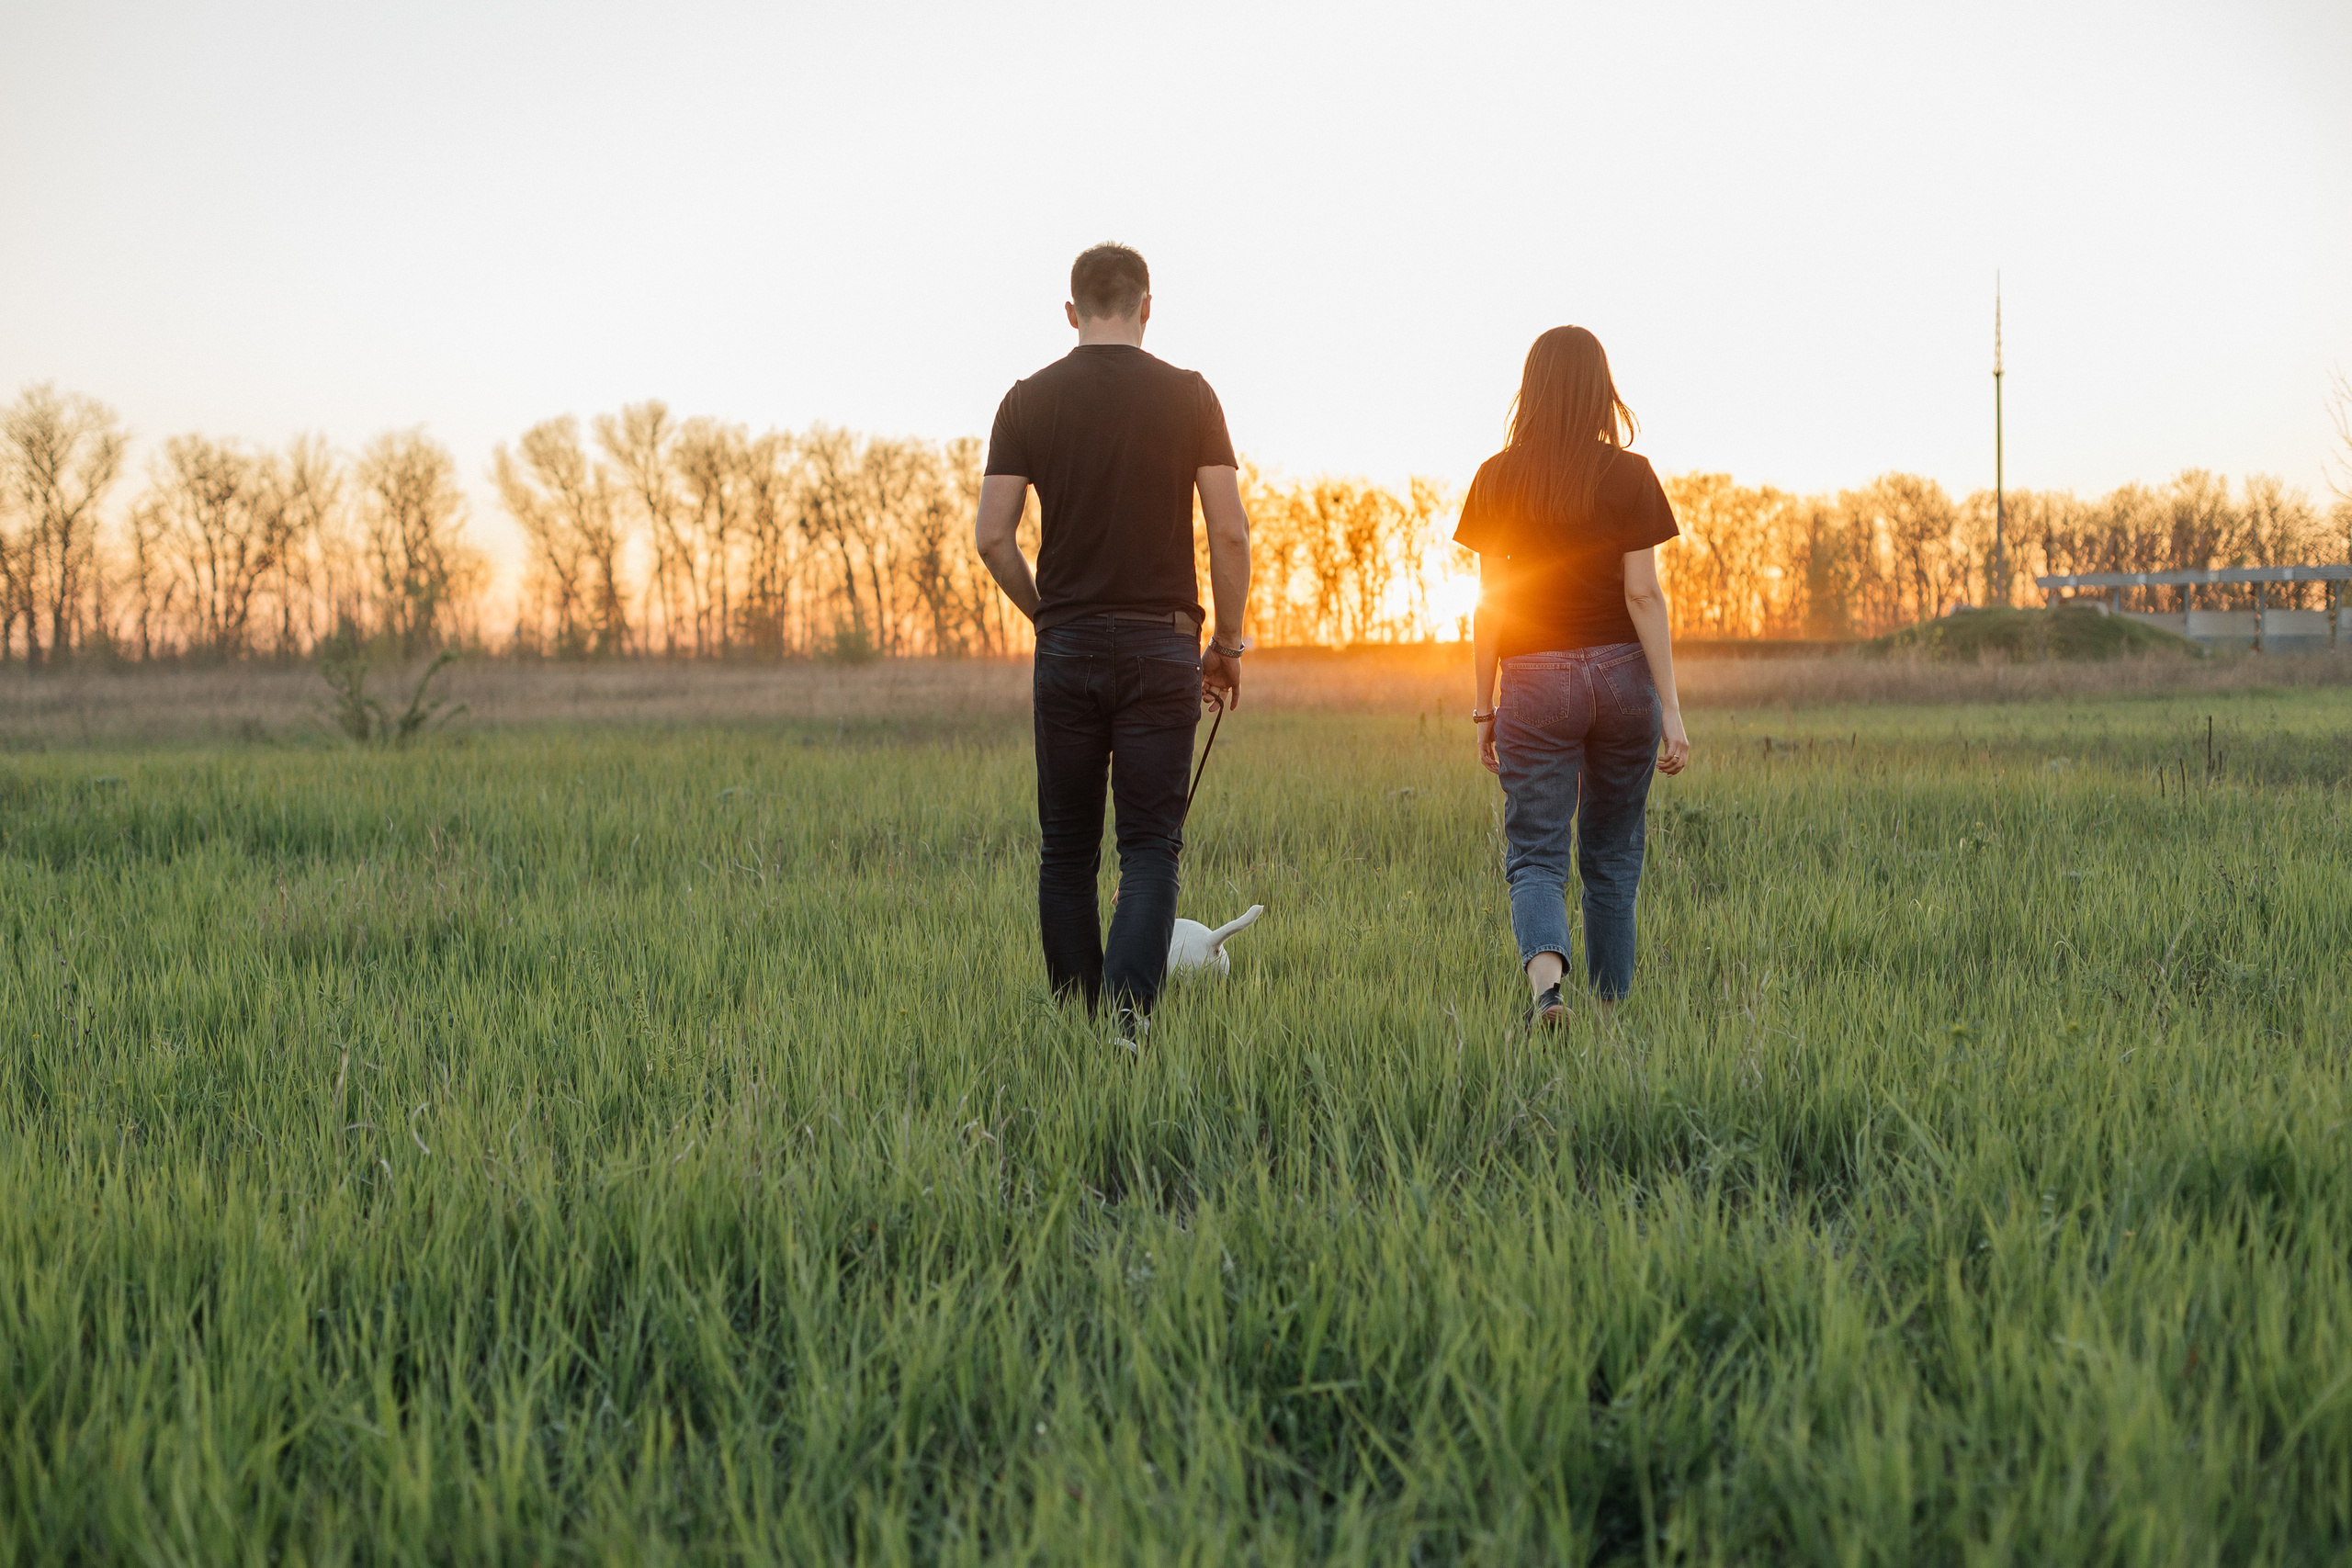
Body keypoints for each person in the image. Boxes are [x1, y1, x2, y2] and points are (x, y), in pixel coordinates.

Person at [973, 243, 1251, 1032]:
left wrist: (1046, 616)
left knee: (1066, 849)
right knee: (1150, 847)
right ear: (1147, 307)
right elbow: (1228, 534)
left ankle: (1076, 1025)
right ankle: (1128, 1028)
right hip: (1164, 645)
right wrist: (1226, 646)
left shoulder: (1026, 400)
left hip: (1065, 646)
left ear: (1071, 311)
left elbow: (993, 538)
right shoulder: (1192, 396)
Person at [1455, 326, 1690, 1024]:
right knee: (1614, 852)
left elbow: (1488, 604)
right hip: (1623, 677)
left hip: (1533, 677)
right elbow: (1643, 594)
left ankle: (1548, 991)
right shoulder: (1631, 474)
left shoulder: (1498, 476)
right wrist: (1671, 709)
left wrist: (1481, 705)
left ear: (1531, 388)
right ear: (1600, 388)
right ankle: (1614, 1011)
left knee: (1536, 851)